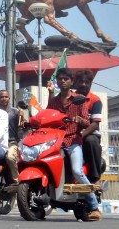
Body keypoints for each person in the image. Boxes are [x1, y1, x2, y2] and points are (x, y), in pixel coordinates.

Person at [47, 68, 101, 221]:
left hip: (73, 141)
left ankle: (94, 207)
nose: (62, 81)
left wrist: (80, 120)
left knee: (77, 171)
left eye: (66, 79)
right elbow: (47, 116)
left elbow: (87, 122)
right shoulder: (55, 101)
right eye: (60, 79)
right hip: (57, 142)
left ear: (71, 82)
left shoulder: (80, 99)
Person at [74, 70, 103, 186]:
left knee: (91, 141)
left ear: (91, 84)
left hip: (89, 134)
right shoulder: (70, 98)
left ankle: (96, 177)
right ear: (76, 83)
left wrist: (81, 135)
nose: (83, 84)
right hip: (71, 134)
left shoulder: (95, 100)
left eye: (87, 82)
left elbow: (95, 124)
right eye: (81, 81)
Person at [0, 89, 23, 185]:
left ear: (9, 98)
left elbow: (21, 128)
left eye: (6, 97)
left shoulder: (15, 112)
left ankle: (17, 180)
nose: (4, 99)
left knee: (10, 157)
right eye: (1, 97)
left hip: (11, 142)